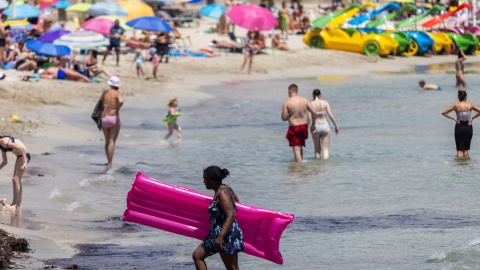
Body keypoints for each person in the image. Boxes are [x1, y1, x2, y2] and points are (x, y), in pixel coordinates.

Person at [192, 166, 244, 270]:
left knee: (232, 268)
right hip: (215, 235)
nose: (204, 182)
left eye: (205, 179)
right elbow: (237, 203)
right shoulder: (225, 189)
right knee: (197, 256)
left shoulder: (223, 193)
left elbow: (231, 215)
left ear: (213, 180)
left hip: (225, 236)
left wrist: (220, 237)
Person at [282, 84, 317, 162]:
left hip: (294, 127)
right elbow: (314, 113)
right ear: (297, 91)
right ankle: (301, 165)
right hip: (303, 126)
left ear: (289, 91)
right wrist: (313, 124)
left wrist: (288, 117)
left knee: (296, 149)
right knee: (300, 147)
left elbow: (284, 118)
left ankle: (299, 168)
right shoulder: (305, 100)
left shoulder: (287, 102)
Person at [442, 90, 480, 158]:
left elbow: (444, 113)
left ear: (458, 97)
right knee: (466, 149)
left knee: (459, 149)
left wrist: (453, 118)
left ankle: (459, 167)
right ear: (465, 97)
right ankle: (466, 166)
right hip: (468, 126)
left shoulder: (456, 106)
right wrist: (472, 118)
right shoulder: (470, 105)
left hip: (459, 126)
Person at [0, 135, 30, 211]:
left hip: (24, 156)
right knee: (14, 179)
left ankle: (18, 205)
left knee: (16, 179)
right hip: (19, 156)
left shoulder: (4, 141)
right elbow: (4, 162)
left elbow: (21, 148)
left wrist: (25, 163)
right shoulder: (1, 146)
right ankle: (14, 203)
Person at [308, 89, 339, 159]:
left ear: (312, 95)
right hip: (325, 125)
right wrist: (335, 125)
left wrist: (306, 129)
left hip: (315, 126)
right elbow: (330, 115)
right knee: (325, 149)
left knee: (317, 150)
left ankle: (317, 167)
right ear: (320, 95)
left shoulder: (310, 104)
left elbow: (309, 118)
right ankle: (326, 167)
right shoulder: (325, 103)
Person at [102, 76, 123, 169]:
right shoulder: (117, 94)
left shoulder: (105, 93)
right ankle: (110, 163)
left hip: (104, 118)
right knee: (111, 141)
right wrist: (117, 108)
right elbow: (121, 101)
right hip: (113, 117)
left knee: (107, 140)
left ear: (110, 84)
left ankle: (108, 161)